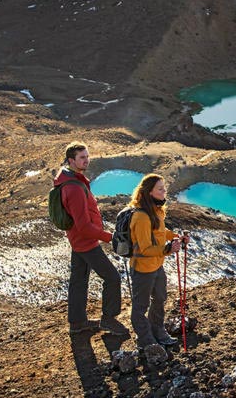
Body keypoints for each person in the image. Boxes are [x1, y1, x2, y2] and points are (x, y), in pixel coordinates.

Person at [55, 141, 128, 336]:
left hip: (78, 240)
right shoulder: (75, 188)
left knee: (78, 280)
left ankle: (77, 322)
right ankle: (109, 319)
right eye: (82, 158)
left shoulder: (71, 180)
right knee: (112, 278)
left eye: (87, 156)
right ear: (71, 160)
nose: (86, 160)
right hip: (86, 242)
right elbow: (84, 226)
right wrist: (110, 237)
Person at [128, 173, 183, 348]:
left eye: (163, 187)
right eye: (160, 189)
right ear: (149, 192)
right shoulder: (142, 217)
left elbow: (161, 231)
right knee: (140, 306)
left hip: (157, 265)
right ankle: (146, 340)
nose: (164, 191)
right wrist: (167, 249)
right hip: (143, 268)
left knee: (159, 298)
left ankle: (158, 330)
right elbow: (145, 249)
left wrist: (176, 236)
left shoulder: (156, 211)